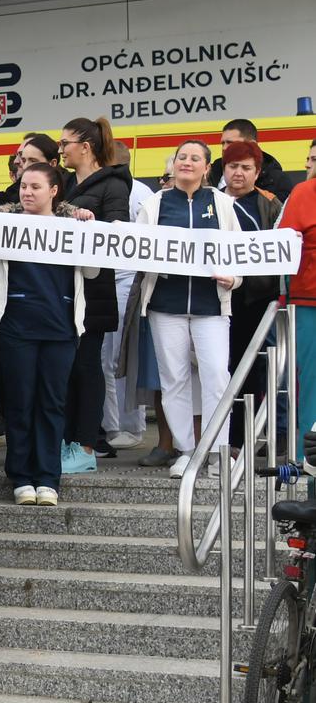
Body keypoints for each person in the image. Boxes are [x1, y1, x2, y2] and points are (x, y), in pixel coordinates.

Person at [0, 164, 99, 505]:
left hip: (61, 328)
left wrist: (87, 231)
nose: (27, 192)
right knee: (19, 402)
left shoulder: (73, 226)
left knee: (52, 403)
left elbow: (91, 272)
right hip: (16, 327)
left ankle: (48, 478)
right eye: (23, 186)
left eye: (35, 187)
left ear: (54, 191)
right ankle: (21, 477)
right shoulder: (5, 223)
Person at [137, 139, 240, 478]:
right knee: (174, 379)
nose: (187, 162)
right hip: (165, 305)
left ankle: (218, 452)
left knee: (217, 377)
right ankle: (186, 451)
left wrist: (234, 279)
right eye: (182, 157)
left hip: (211, 306)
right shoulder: (155, 203)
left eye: (195, 158)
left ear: (207, 168)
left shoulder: (222, 203)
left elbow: (238, 252)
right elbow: (135, 249)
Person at [60, 116, 132, 474]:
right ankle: (67, 440)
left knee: (87, 366)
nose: (61, 150)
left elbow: (115, 235)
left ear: (85, 147)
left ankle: (86, 444)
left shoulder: (113, 185)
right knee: (67, 367)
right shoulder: (66, 182)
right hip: (65, 289)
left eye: (66, 143)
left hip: (94, 290)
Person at [220, 140, 282, 452]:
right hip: (217, 300)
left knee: (251, 372)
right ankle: (217, 439)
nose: (239, 173)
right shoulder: (210, 200)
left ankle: (243, 440)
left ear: (257, 172)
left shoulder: (269, 204)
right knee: (221, 369)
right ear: (223, 169)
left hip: (255, 301)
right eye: (233, 166)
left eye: (246, 168)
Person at [279, 165, 316, 459]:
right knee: (312, 382)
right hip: (310, 302)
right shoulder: (304, 193)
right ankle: (309, 458)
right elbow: (283, 247)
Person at [210, 118, 295, 201]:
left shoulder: (277, 181)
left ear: (252, 144)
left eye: (230, 143)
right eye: (223, 143)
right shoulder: (212, 171)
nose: (224, 148)